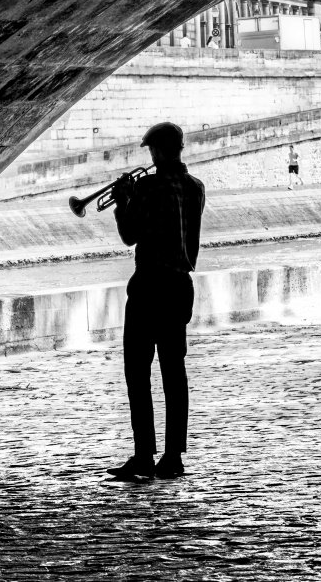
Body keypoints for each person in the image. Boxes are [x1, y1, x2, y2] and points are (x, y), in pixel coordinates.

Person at [106, 123, 206, 480]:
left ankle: (143, 455)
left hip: (149, 286)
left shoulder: (148, 187)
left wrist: (122, 200)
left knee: (137, 371)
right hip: (181, 286)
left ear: (160, 152)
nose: (149, 158)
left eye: (152, 152)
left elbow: (130, 235)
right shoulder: (196, 188)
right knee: (174, 374)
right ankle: (174, 457)